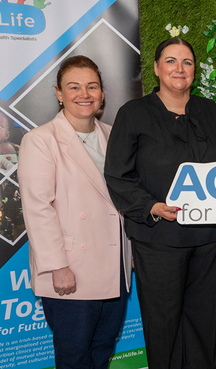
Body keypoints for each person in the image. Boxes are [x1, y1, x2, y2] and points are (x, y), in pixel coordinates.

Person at [104, 38, 216, 369]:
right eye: (171, 61)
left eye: (187, 62)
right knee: (164, 328)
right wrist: (151, 207)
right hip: (160, 240)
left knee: (209, 326)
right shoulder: (133, 114)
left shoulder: (211, 112)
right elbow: (118, 175)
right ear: (157, 68)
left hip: (210, 239)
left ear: (195, 70)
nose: (179, 68)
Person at [18, 55, 131, 369]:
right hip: (72, 271)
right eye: (74, 87)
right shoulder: (40, 140)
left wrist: (129, 255)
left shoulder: (114, 135)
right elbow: (38, 208)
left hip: (114, 269)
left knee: (102, 352)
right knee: (74, 358)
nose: (85, 94)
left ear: (102, 93)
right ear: (58, 93)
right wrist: (57, 266)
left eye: (92, 86)